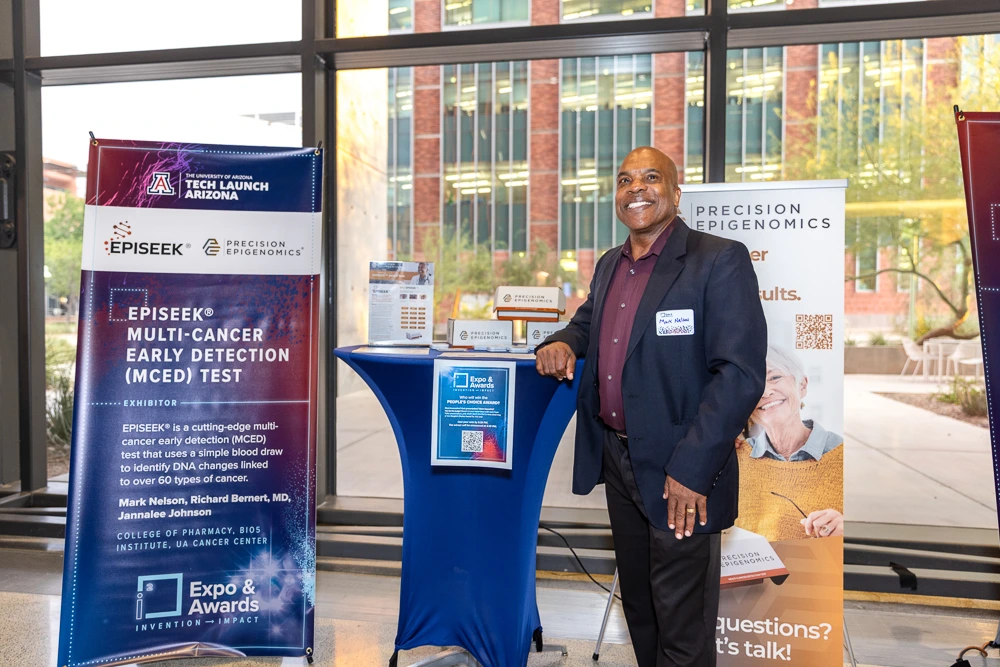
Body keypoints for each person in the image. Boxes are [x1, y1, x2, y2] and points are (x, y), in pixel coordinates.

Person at [535, 147, 766, 667]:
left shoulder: (717, 259)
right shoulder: (609, 265)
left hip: (682, 469)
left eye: (651, 177)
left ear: (676, 193)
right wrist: (563, 342)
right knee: (640, 606)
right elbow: (588, 323)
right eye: (625, 180)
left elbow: (740, 375)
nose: (636, 188)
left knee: (681, 621)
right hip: (619, 460)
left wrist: (691, 470)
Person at [735, 344, 844, 542]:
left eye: (775, 377)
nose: (765, 392)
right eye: (754, 383)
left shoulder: (844, 456)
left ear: (802, 385)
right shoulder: (734, 458)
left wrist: (845, 532)